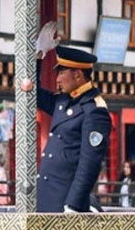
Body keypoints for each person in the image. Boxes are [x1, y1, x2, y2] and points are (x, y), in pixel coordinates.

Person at [36, 46, 113, 213]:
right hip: (47, 198)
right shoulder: (63, 102)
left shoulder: (94, 110)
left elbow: (89, 163)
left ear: (77, 75)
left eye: (61, 73)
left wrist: (73, 205)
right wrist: (38, 55)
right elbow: (32, 92)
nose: (57, 79)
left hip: (65, 203)